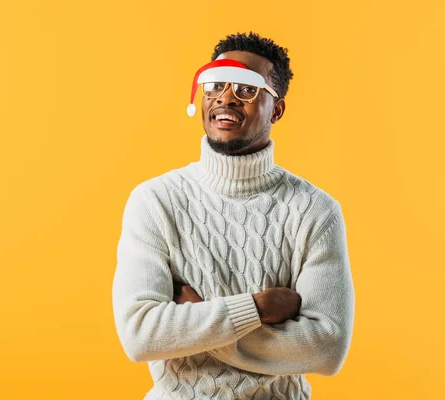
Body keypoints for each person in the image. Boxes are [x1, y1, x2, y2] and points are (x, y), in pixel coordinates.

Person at [112, 31, 355, 400]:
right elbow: (140, 335)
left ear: (276, 109)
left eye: (247, 89)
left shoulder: (315, 211)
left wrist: (201, 322)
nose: (226, 96)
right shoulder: (155, 201)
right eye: (215, 84)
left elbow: (327, 348)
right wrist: (255, 309)